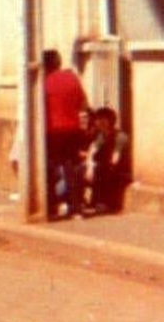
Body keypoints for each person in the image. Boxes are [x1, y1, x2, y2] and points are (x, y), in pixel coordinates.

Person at [43, 48, 89, 219]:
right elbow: (83, 104)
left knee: (49, 169)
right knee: (73, 169)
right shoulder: (72, 78)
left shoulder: (43, 82)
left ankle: (51, 207)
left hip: (52, 131)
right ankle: (76, 208)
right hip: (72, 129)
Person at [85, 106, 131, 215]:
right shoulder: (101, 136)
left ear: (110, 121)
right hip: (106, 167)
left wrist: (97, 166)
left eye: (103, 119)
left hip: (121, 171)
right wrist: (90, 166)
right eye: (98, 119)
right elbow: (92, 151)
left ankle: (106, 203)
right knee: (82, 170)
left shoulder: (120, 137)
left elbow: (115, 159)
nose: (99, 122)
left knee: (105, 170)